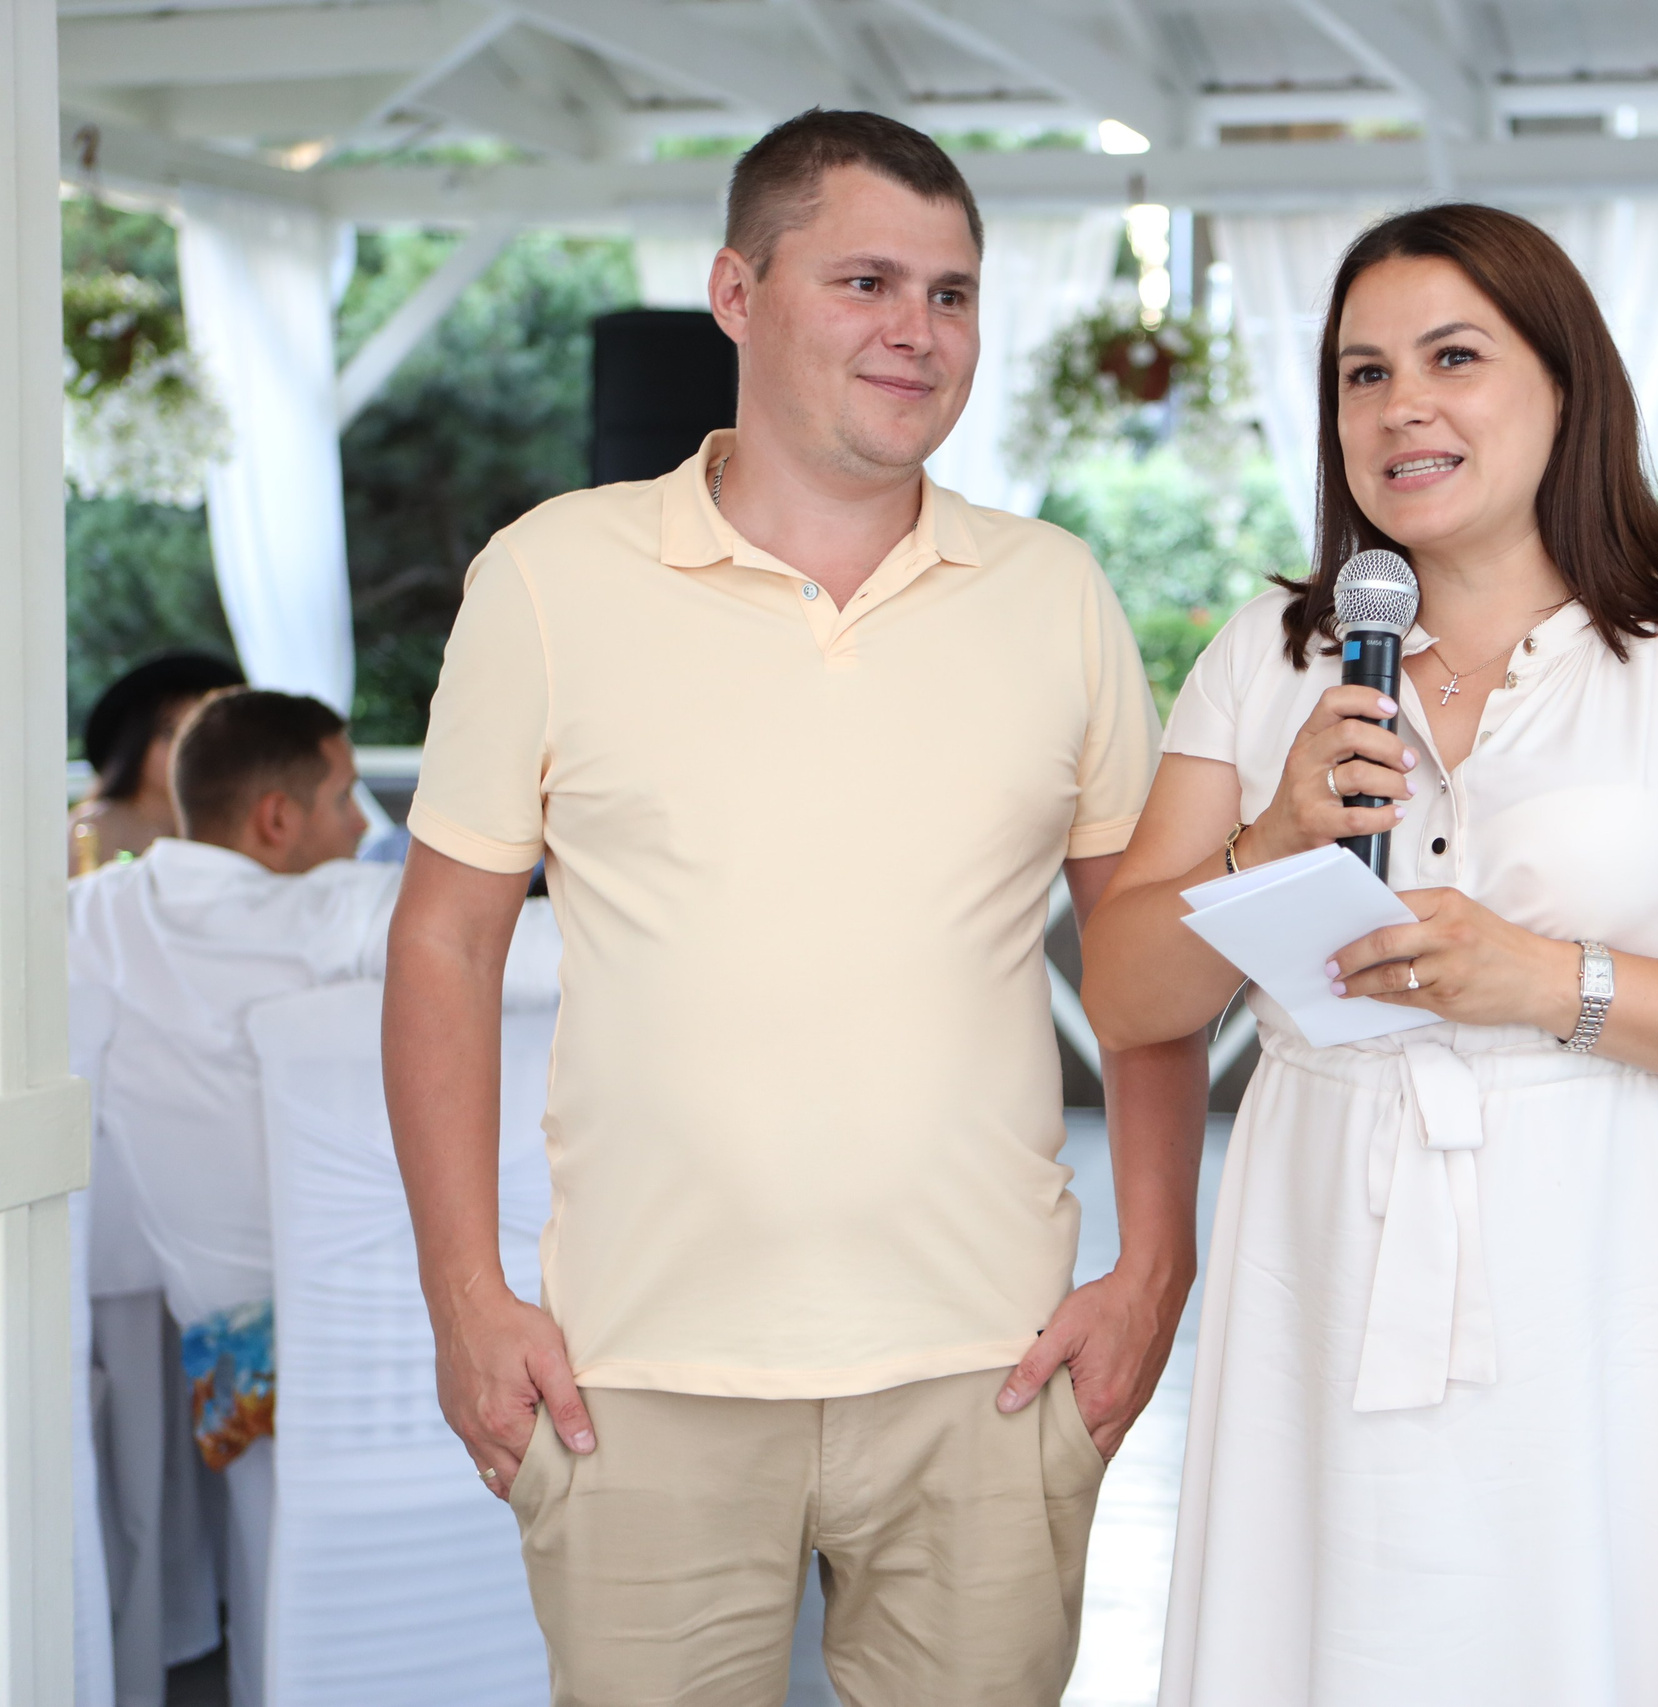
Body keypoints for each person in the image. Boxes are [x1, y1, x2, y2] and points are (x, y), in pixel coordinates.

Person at [383, 108, 1206, 1707]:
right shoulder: (553, 574)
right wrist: (464, 1291)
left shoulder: (1057, 595)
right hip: (638, 1369)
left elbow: (1144, 959)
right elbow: (445, 938)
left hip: (991, 1359)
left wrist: (1156, 1260)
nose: (917, 330)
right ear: (737, 293)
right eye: (867, 281)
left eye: (954, 293)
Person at [1080, 204, 1658, 1706]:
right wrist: (1266, 840)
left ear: (1567, 382)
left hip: (1613, 1256)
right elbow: (1128, 993)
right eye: (1360, 372)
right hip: (1320, 1234)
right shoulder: (1269, 654)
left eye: (1454, 357)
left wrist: (1556, 982)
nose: (1402, 407)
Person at [71, 688, 555, 1707]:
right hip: (381, 1365)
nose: (360, 828)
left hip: (227, 1369)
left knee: (285, 1585)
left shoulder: (98, 916)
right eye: (345, 799)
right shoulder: (337, 914)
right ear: (277, 821)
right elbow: (554, 954)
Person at [69, 652, 246, 876]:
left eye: (199, 733)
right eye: (169, 733)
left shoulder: (233, 830)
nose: (185, 748)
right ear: (136, 743)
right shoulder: (91, 829)